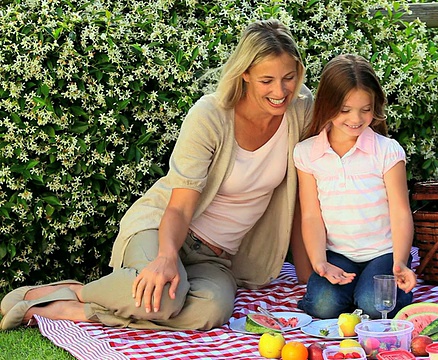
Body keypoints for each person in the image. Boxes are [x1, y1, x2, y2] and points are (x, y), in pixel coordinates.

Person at [0, 19, 313, 331]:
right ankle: (75, 292)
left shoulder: (300, 110)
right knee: (163, 299)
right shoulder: (211, 117)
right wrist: (165, 257)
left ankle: (78, 307)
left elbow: (318, 173)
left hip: (216, 259)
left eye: (289, 77)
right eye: (266, 80)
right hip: (164, 230)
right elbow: (179, 206)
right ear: (244, 74)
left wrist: (309, 274)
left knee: (210, 312)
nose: (280, 91)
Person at [294, 54, 416, 320]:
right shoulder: (306, 154)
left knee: (375, 305)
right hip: (338, 254)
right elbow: (311, 215)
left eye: (366, 109)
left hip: (384, 253)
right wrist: (320, 262)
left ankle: (370, 293)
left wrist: (399, 261)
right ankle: (354, 292)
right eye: (345, 110)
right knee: (322, 305)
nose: (356, 119)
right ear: (327, 105)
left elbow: (400, 211)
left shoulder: (387, 151)